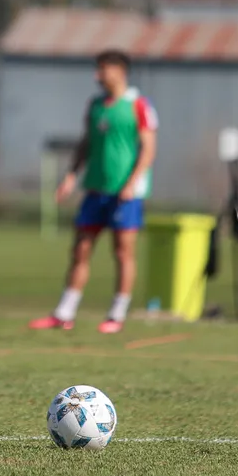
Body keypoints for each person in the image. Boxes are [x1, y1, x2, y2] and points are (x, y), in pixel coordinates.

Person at [28, 49, 159, 335]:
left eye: (103, 70)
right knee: (80, 249)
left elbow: (148, 149)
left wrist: (131, 183)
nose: (97, 76)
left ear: (119, 71)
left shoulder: (138, 105)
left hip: (126, 194)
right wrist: (71, 176)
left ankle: (117, 314)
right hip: (95, 189)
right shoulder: (96, 105)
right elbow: (85, 144)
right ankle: (64, 313)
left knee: (123, 253)